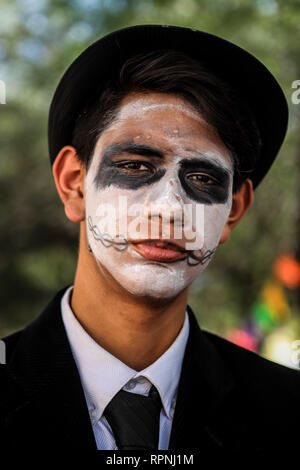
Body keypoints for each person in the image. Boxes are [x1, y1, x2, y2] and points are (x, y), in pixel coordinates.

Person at [1, 24, 299, 453]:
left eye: (201, 177)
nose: (170, 208)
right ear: (74, 184)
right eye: (137, 166)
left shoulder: (287, 412)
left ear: (234, 209)